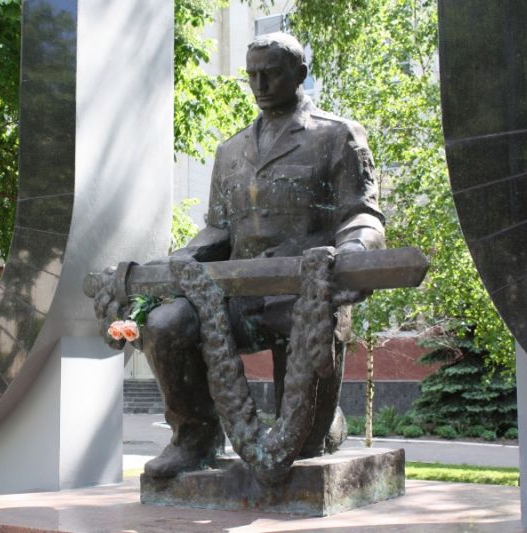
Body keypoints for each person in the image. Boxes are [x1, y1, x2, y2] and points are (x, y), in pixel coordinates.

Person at [140, 32, 386, 478]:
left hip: (306, 300)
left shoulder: (336, 136)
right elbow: (218, 229)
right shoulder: (230, 150)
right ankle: (193, 436)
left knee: (305, 451)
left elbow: (363, 216)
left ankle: (324, 422)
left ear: (300, 74)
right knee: (165, 325)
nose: (260, 83)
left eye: (271, 73)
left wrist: (350, 252)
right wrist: (183, 257)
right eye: (252, 74)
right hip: (242, 300)